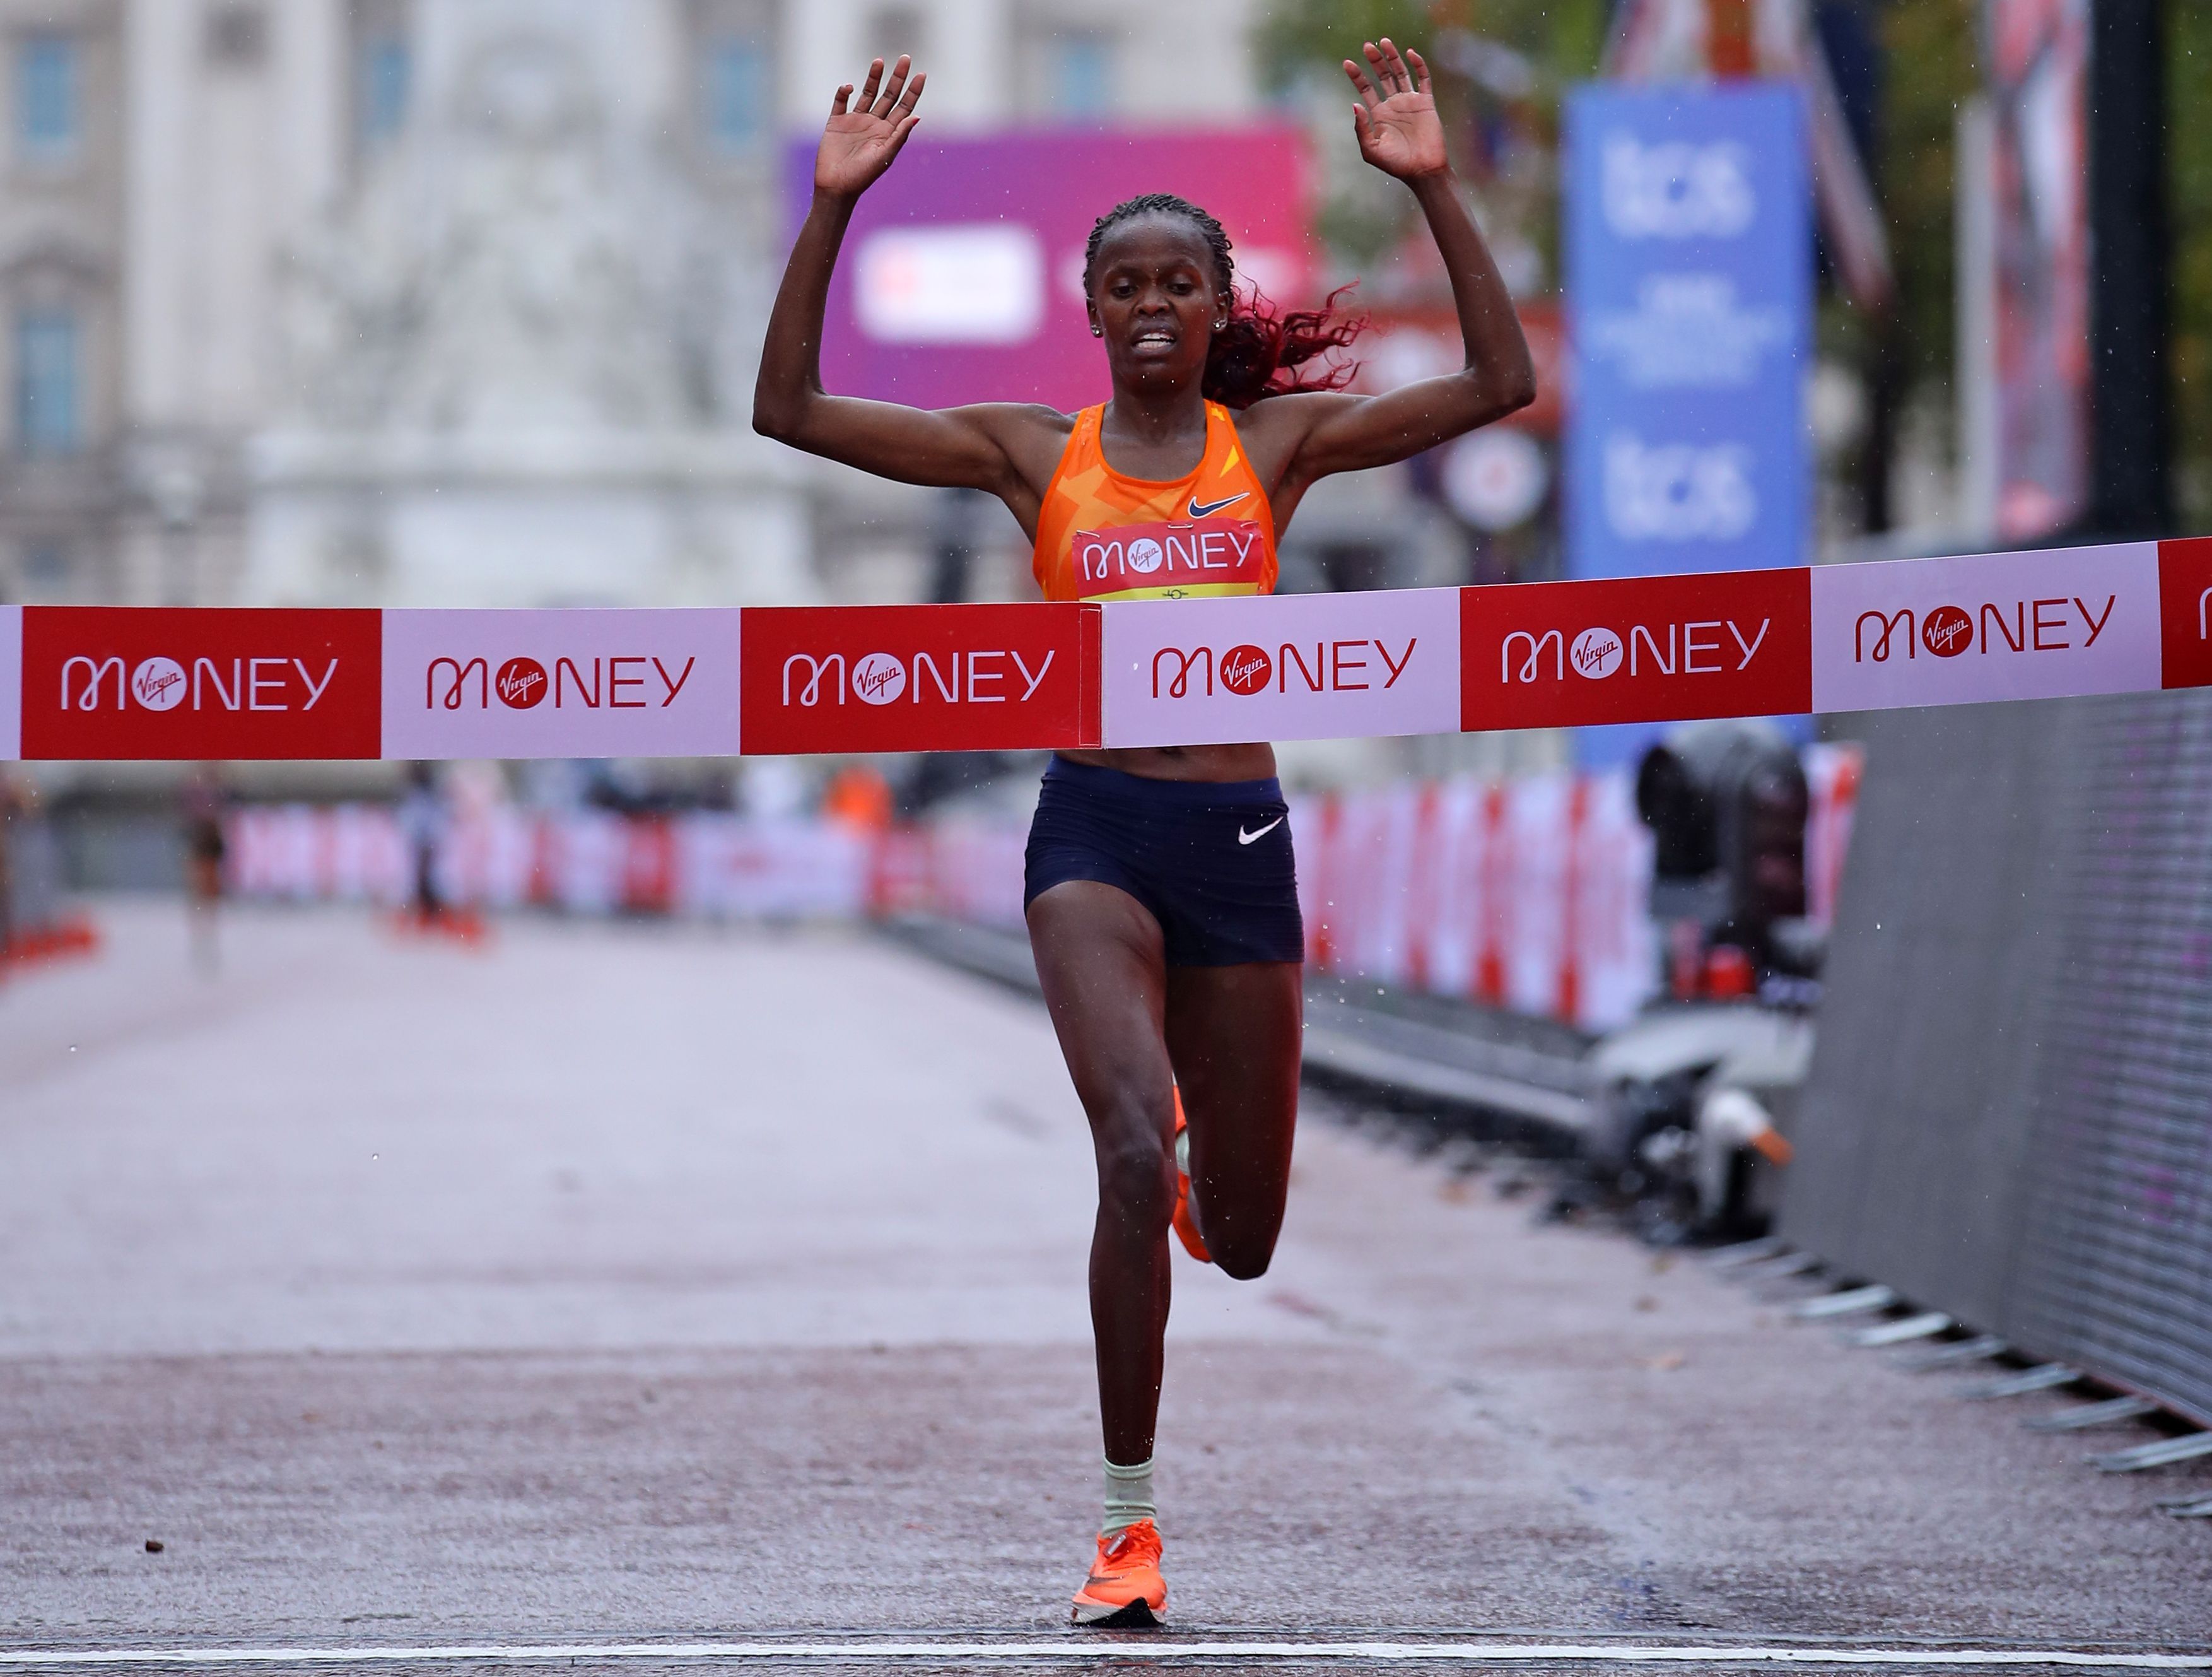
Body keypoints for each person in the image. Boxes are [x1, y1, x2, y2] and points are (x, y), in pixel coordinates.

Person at [754, 38, 1533, 1627]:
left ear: (1216, 305)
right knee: (1122, 1148)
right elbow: (788, 412)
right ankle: (1126, 1523)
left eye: (1185, 282)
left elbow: (1498, 387)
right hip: (1091, 836)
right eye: (1131, 287)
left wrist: (1432, 184)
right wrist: (833, 211)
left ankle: (1192, 1180)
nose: (1158, 306)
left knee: (1239, 1243)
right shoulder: (1030, 453)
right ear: (1095, 313)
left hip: (1236, 839)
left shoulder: (1284, 451)